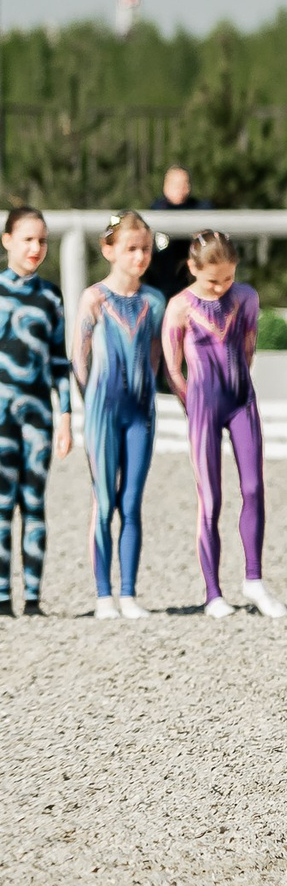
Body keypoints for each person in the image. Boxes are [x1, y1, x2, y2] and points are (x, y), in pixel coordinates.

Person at [161, 231, 287, 618]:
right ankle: (213, 592)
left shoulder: (246, 297)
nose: (219, 288)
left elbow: (247, 348)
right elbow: (172, 366)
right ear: (193, 268)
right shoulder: (180, 306)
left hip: (240, 400)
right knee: (211, 499)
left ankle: (254, 579)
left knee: (253, 487)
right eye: (212, 280)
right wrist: (192, 403)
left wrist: (238, 387)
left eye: (227, 279)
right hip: (203, 405)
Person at [72, 211, 165, 619]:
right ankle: (103, 595)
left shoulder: (154, 301)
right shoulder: (94, 298)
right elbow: (79, 358)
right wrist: (89, 403)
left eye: (145, 249)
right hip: (103, 413)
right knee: (103, 501)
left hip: (140, 414)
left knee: (131, 503)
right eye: (131, 249)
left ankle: (128, 592)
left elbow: (158, 359)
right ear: (109, 250)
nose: (139, 256)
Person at [0, 208, 71, 616]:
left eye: (42, 240)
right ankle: (1, 598)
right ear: (7, 240)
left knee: (34, 502)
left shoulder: (50, 296)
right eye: (27, 239)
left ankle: (31, 599)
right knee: (1, 505)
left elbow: (60, 362)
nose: (35, 248)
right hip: (1, 418)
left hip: (38, 417)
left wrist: (64, 416)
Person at [143, 166, 211, 305]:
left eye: (185, 183)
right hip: (162, 286)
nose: (182, 188)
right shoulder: (156, 211)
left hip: (193, 285)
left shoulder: (200, 208)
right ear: (165, 187)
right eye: (176, 184)